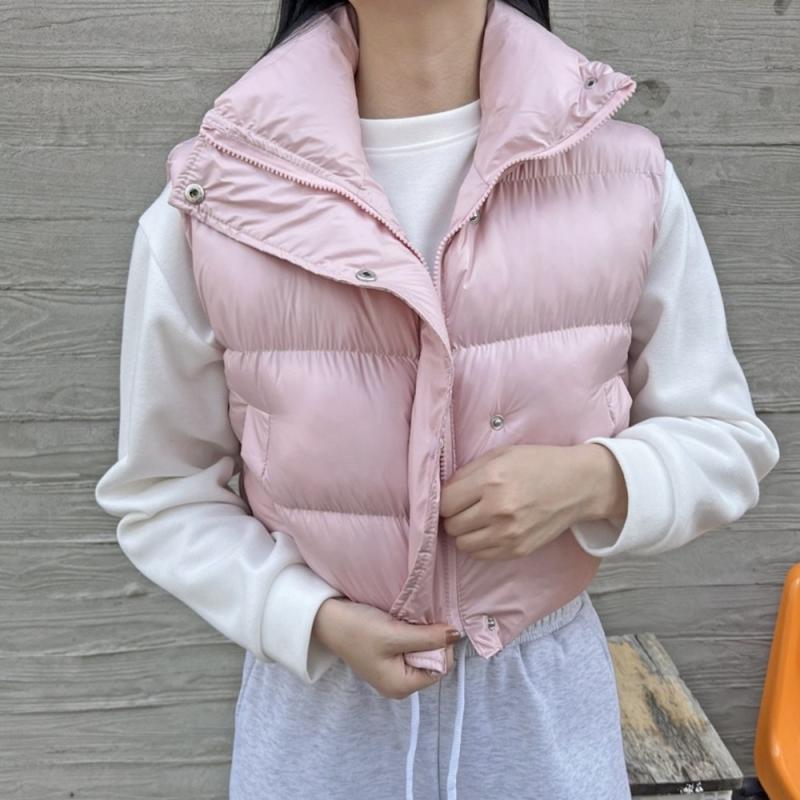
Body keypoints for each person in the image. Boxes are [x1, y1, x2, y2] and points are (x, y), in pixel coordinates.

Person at [95, 1, 781, 798]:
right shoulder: (214, 199)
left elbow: (724, 440)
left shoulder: (624, 178)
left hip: (541, 721)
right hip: (318, 729)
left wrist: (593, 480)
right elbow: (162, 491)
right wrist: (307, 617)